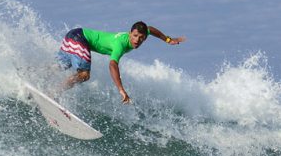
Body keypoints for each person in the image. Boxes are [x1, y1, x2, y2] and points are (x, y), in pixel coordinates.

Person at [56, 21, 185, 103]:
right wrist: (121, 89)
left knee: (60, 66)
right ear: (130, 33)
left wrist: (168, 40)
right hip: (79, 38)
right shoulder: (121, 44)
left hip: (73, 35)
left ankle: (36, 74)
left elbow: (150, 28)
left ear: (145, 37)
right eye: (134, 36)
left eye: (141, 38)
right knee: (84, 75)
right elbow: (112, 64)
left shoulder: (143, 32)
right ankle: (55, 93)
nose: (137, 40)